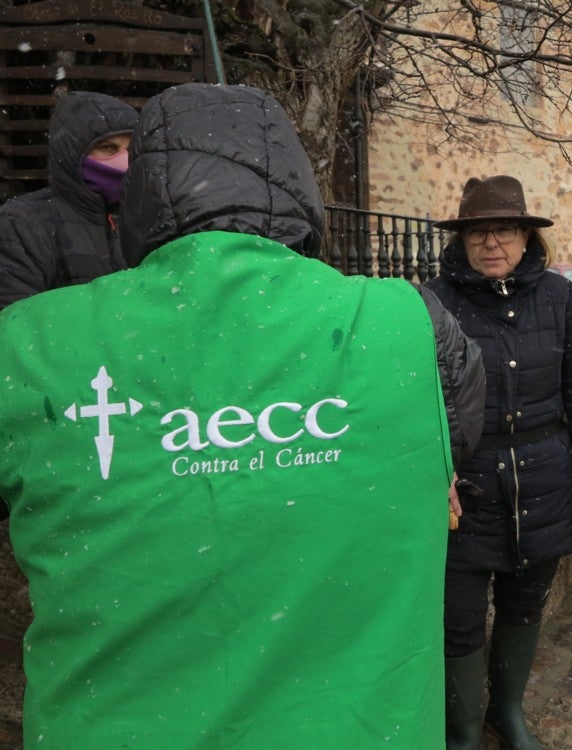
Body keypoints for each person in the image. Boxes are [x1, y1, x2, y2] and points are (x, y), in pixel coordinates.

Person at [0, 82, 485, 749]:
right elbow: (452, 439)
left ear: (143, 193)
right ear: (295, 184)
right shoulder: (410, 324)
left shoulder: (25, 344)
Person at [426, 175, 572, 750]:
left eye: (505, 231)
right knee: (458, 619)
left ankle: (506, 712)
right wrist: (436, 476)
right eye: (479, 233)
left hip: (545, 477)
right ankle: (462, 730)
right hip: (467, 484)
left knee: (524, 603)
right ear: (462, 240)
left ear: (527, 237)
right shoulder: (433, 301)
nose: (492, 244)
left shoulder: (560, 299)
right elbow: (415, 403)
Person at [0, 90, 138, 310]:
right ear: (73, 153)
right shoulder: (21, 224)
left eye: (131, 149)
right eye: (107, 148)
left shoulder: (147, 219)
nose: (125, 161)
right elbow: (14, 325)